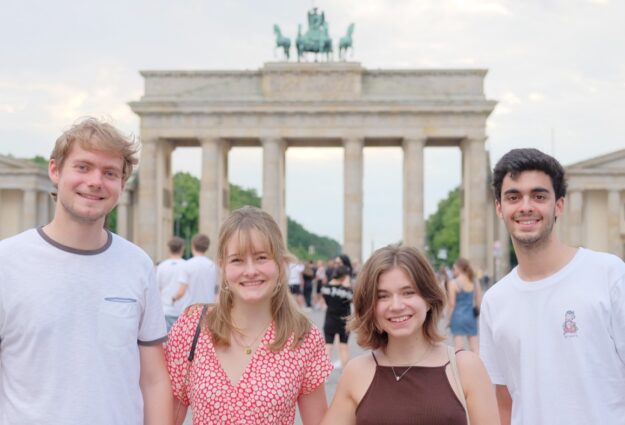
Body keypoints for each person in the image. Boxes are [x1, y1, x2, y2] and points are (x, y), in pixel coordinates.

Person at [0, 117, 172, 424]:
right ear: (55, 170)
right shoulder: (7, 262)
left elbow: (153, 379)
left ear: (122, 184)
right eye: (83, 167)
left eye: (110, 173)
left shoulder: (138, 265)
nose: (95, 181)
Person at [480, 148, 625, 425]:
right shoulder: (495, 301)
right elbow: (504, 401)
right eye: (513, 197)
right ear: (499, 207)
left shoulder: (609, 275)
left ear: (559, 205)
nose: (525, 206)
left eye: (539, 196)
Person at [166, 207, 332, 425]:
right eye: (237, 260)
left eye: (261, 258)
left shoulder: (303, 337)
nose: (251, 270)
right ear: (222, 266)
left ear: (281, 264)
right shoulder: (191, 327)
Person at [322, 245, 499, 425]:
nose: (396, 305)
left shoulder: (467, 368)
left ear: (429, 299)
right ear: (370, 307)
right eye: (383, 296)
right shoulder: (356, 372)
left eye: (408, 293)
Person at [171, 233, 218, 308]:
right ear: (207, 247)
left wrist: (174, 298)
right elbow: (216, 289)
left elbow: (182, 291)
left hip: (192, 309)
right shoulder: (213, 265)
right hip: (209, 308)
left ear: (193, 246)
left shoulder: (187, 265)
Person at [320, 265, 353, 369]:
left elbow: (326, 301)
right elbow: (352, 300)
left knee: (328, 346)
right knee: (344, 347)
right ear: (344, 277)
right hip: (345, 320)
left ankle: (323, 375)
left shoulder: (325, 288)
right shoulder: (347, 290)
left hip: (330, 319)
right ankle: (345, 374)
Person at [447, 257, 481, 353]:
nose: (454, 270)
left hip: (457, 317)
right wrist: (477, 315)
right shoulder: (474, 281)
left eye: (454, 268)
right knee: (474, 346)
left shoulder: (453, 283)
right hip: (470, 316)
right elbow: (478, 300)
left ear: (459, 268)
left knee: (459, 348)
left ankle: (461, 367)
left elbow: (451, 304)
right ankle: (478, 366)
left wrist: (448, 319)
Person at [157, 236, 186, 331]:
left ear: (169, 249)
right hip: (184, 310)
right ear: (182, 249)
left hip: (165, 310)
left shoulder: (161, 266)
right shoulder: (187, 266)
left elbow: (157, 289)